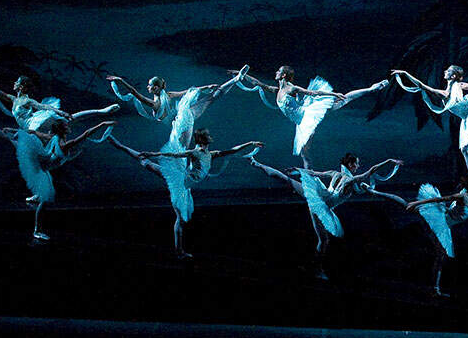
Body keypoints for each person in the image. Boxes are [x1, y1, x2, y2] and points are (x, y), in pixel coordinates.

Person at [105, 129, 262, 258]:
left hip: (185, 186)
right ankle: (119, 145)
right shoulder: (195, 152)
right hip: (180, 182)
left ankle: (179, 251)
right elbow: (174, 155)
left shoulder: (211, 154)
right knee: (147, 163)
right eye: (208, 135)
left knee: (180, 218)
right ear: (203, 140)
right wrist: (153, 154)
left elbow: (232, 150)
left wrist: (250, 143)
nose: (210, 136)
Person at [0, 109, 114, 240]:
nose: (69, 126)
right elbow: (85, 134)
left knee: (7, 137)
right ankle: (37, 230)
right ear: (62, 130)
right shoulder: (64, 144)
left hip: (41, 162)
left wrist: (14, 130)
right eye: (66, 126)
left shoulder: (54, 137)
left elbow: (35, 132)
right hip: (38, 165)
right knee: (45, 198)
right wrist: (102, 124)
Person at [248, 151, 402, 279]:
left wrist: (298, 170)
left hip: (317, 197)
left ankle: (257, 164)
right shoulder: (350, 180)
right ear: (350, 165)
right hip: (321, 207)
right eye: (356, 164)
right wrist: (389, 161)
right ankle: (316, 268)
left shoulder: (334, 173)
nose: (358, 166)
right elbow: (372, 171)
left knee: (286, 179)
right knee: (324, 240)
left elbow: (314, 173)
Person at [235, 66, 388, 168]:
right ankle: (310, 178)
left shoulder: (291, 88)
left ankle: (373, 88)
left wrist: (332, 93)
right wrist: (242, 75)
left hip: (307, 114)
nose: (276, 72)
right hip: (300, 122)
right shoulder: (277, 90)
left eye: (278, 71)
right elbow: (259, 83)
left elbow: (313, 93)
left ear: (283, 75)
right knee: (304, 152)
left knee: (344, 99)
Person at [106, 65, 249, 126]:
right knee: (211, 98)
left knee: (211, 98)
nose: (147, 87)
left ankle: (236, 79)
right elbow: (188, 91)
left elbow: (134, 92)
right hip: (185, 115)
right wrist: (206, 87)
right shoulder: (168, 95)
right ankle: (235, 80)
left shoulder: (155, 104)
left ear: (156, 88)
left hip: (182, 121)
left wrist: (120, 81)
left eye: (149, 85)